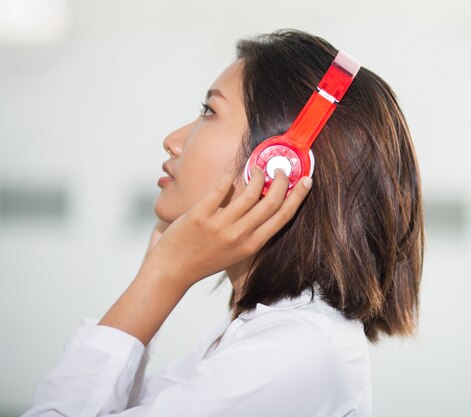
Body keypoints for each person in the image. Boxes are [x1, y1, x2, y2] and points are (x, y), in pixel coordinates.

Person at [22, 29, 425, 417]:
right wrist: (158, 268)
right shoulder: (259, 337)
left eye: (208, 112)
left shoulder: (295, 353)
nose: (173, 139)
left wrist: (163, 275)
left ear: (277, 165)